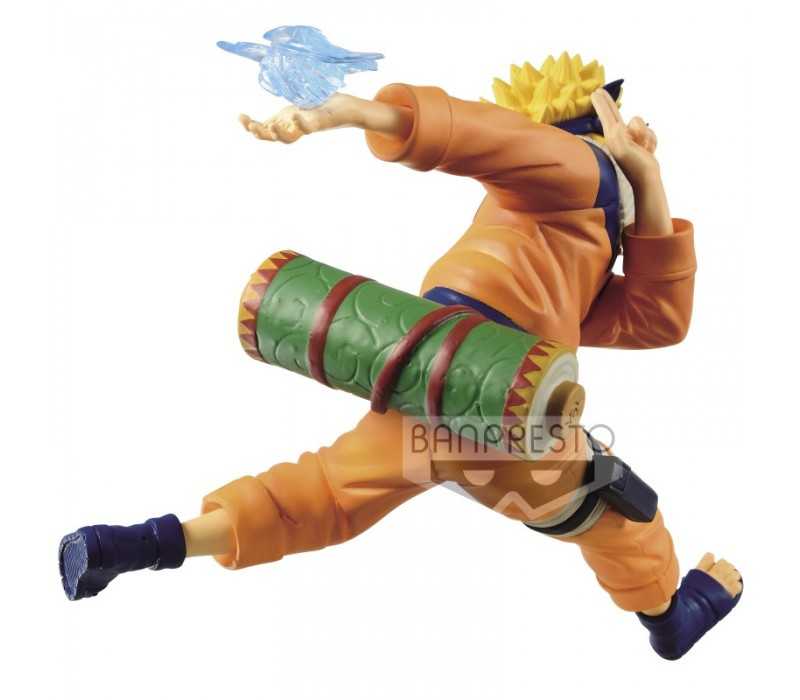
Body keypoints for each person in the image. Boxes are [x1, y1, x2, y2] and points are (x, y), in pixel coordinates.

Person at [59, 54, 741, 660]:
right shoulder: (577, 170)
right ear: (591, 124)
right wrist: (356, 112)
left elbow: (654, 321)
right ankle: (673, 619)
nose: (641, 133)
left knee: (323, 494)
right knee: (624, 516)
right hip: (503, 406)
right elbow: (482, 137)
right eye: (626, 119)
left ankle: (143, 544)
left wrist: (647, 180)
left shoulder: (568, 246)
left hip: (424, 379)